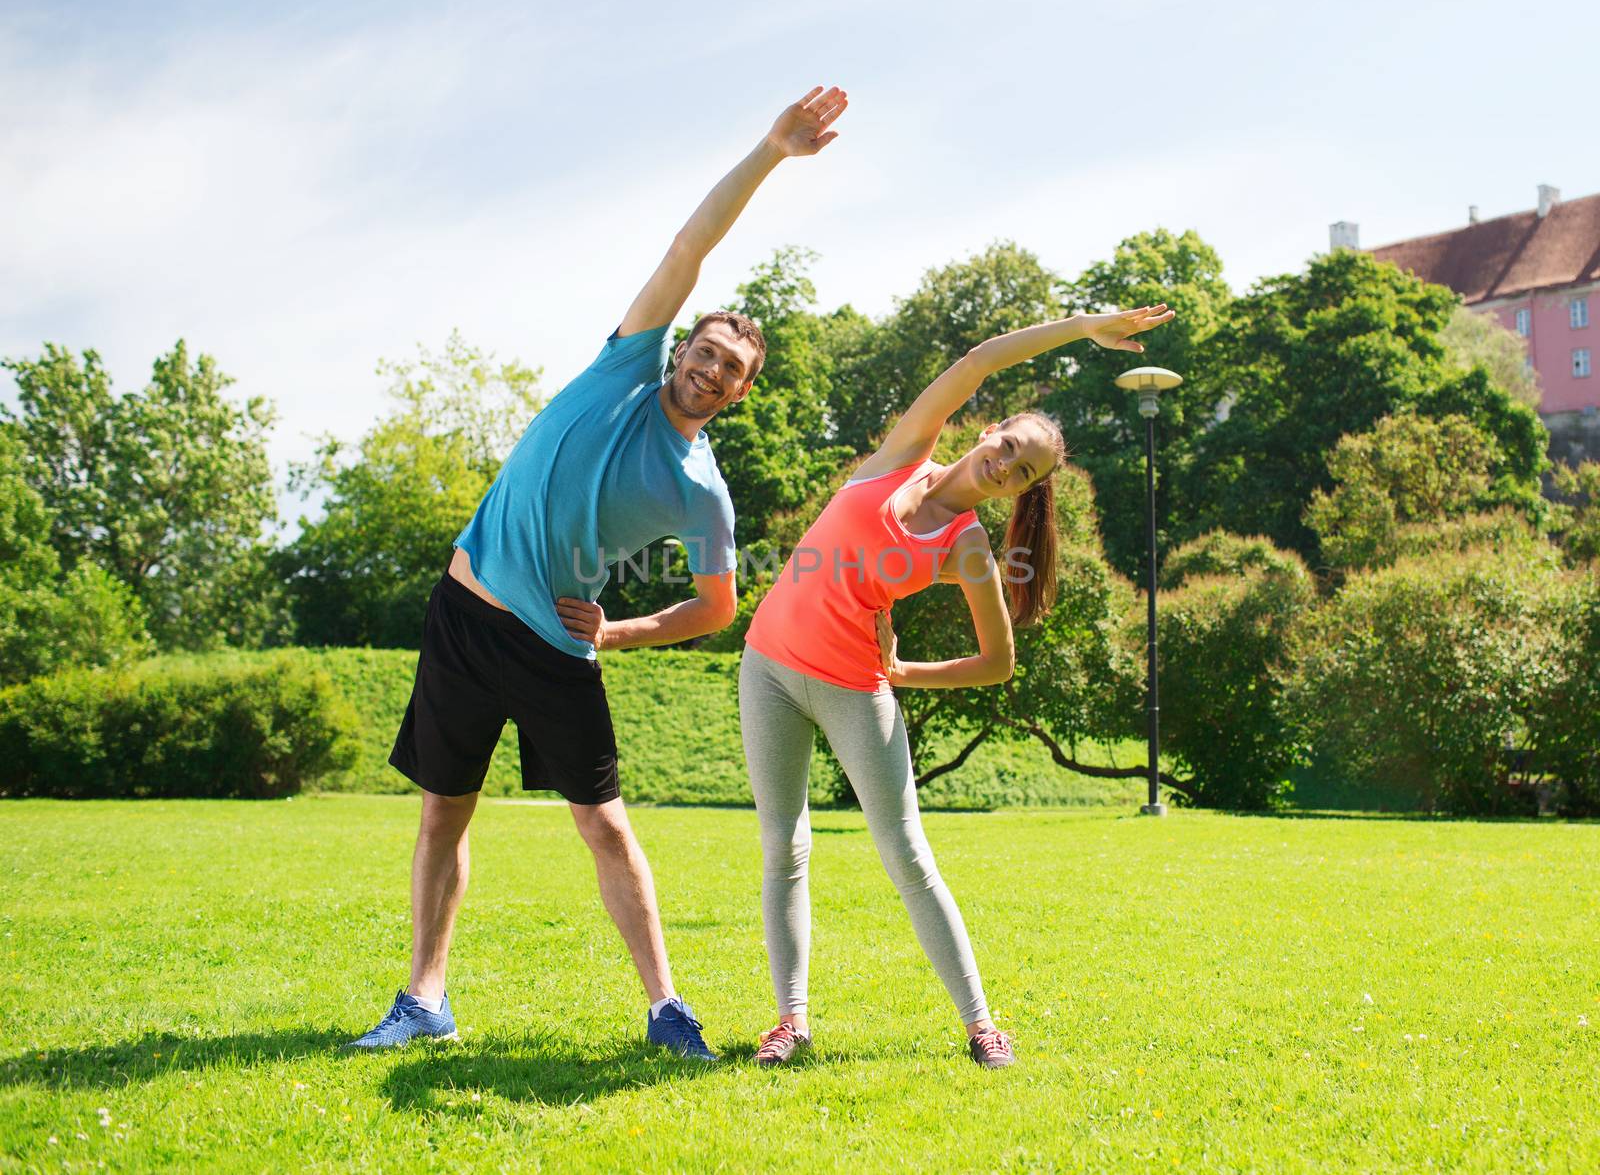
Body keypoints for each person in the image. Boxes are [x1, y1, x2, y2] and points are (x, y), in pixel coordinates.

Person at [346, 86, 850, 1057]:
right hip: (463, 610)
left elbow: (717, 605)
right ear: (684, 347)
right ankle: (424, 997)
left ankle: (667, 1006)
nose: (707, 369)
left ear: (741, 392)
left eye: (728, 369)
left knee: (605, 826)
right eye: (704, 350)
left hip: (551, 648)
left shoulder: (700, 489)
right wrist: (771, 151)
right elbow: (688, 248)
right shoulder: (624, 364)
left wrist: (616, 631)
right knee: (443, 812)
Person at [739, 302, 1175, 1068]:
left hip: (852, 686)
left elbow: (996, 661)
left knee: (907, 853)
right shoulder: (907, 449)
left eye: (1024, 470)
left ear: (1020, 490)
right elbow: (978, 358)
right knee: (785, 845)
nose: (1007, 463)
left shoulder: (968, 546)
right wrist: (1083, 329)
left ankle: (981, 1025)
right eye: (1009, 444)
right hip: (768, 666)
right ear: (987, 431)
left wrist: (905, 672)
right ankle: (790, 1020)